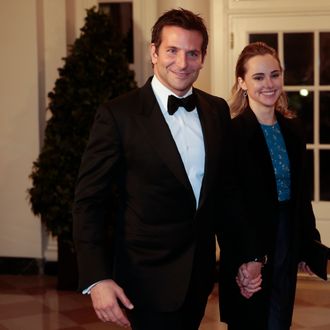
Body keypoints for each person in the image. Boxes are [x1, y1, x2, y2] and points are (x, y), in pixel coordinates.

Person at [73, 8, 262, 330]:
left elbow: (226, 192)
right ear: (154, 53)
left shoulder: (215, 109)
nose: (182, 63)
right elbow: (89, 201)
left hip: (200, 274)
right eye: (172, 51)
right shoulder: (119, 114)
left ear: (203, 58)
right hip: (144, 278)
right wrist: (97, 278)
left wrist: (247, 255)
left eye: (192, 53)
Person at [219, 41, 324, 330]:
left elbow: (301, 197)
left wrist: (308, 244)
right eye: (258, 77)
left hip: (287, 237)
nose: (269, 84)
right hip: (250, 238)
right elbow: (229, 203)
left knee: (279, 320)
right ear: (242, 82)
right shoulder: (231, 132)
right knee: (250, 320)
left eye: (275, 75)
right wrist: (248, 257)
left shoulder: (293, 129)